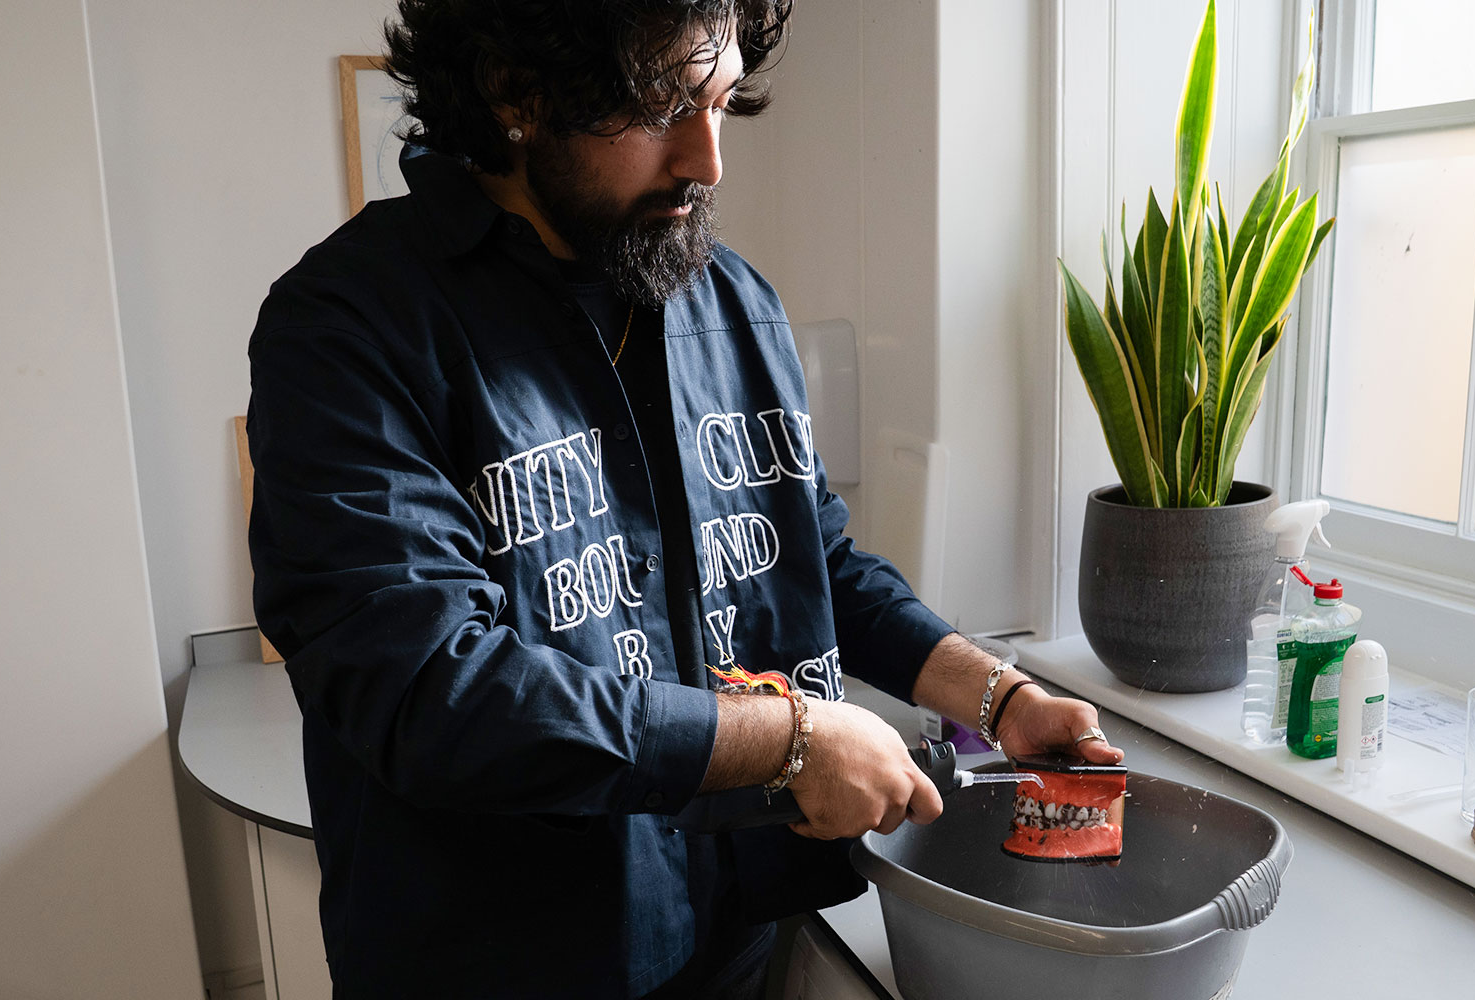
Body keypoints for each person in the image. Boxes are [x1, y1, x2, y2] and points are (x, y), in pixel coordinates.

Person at [244, 1, 1122, 996]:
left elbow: (811, 560)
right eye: (660, 106)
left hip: (727, 929)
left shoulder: (730, 300)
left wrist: (1000, 698)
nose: (705, 160)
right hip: (497, 953)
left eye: (717, 101)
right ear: (516, 95)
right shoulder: (350, 325)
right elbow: (428, 689)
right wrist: (791, 740)